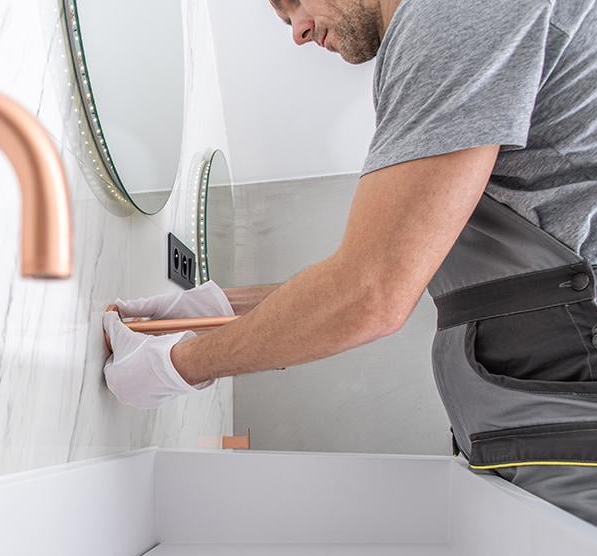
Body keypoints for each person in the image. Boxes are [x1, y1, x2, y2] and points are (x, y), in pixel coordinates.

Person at [103, 0, 597, 523]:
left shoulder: (451, 14)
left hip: (564, 392)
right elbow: (372, 274)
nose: (297, 32)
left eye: (293, 3)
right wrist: (209, 308)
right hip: (543, 403)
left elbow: (370, 294)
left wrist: (175, 368)